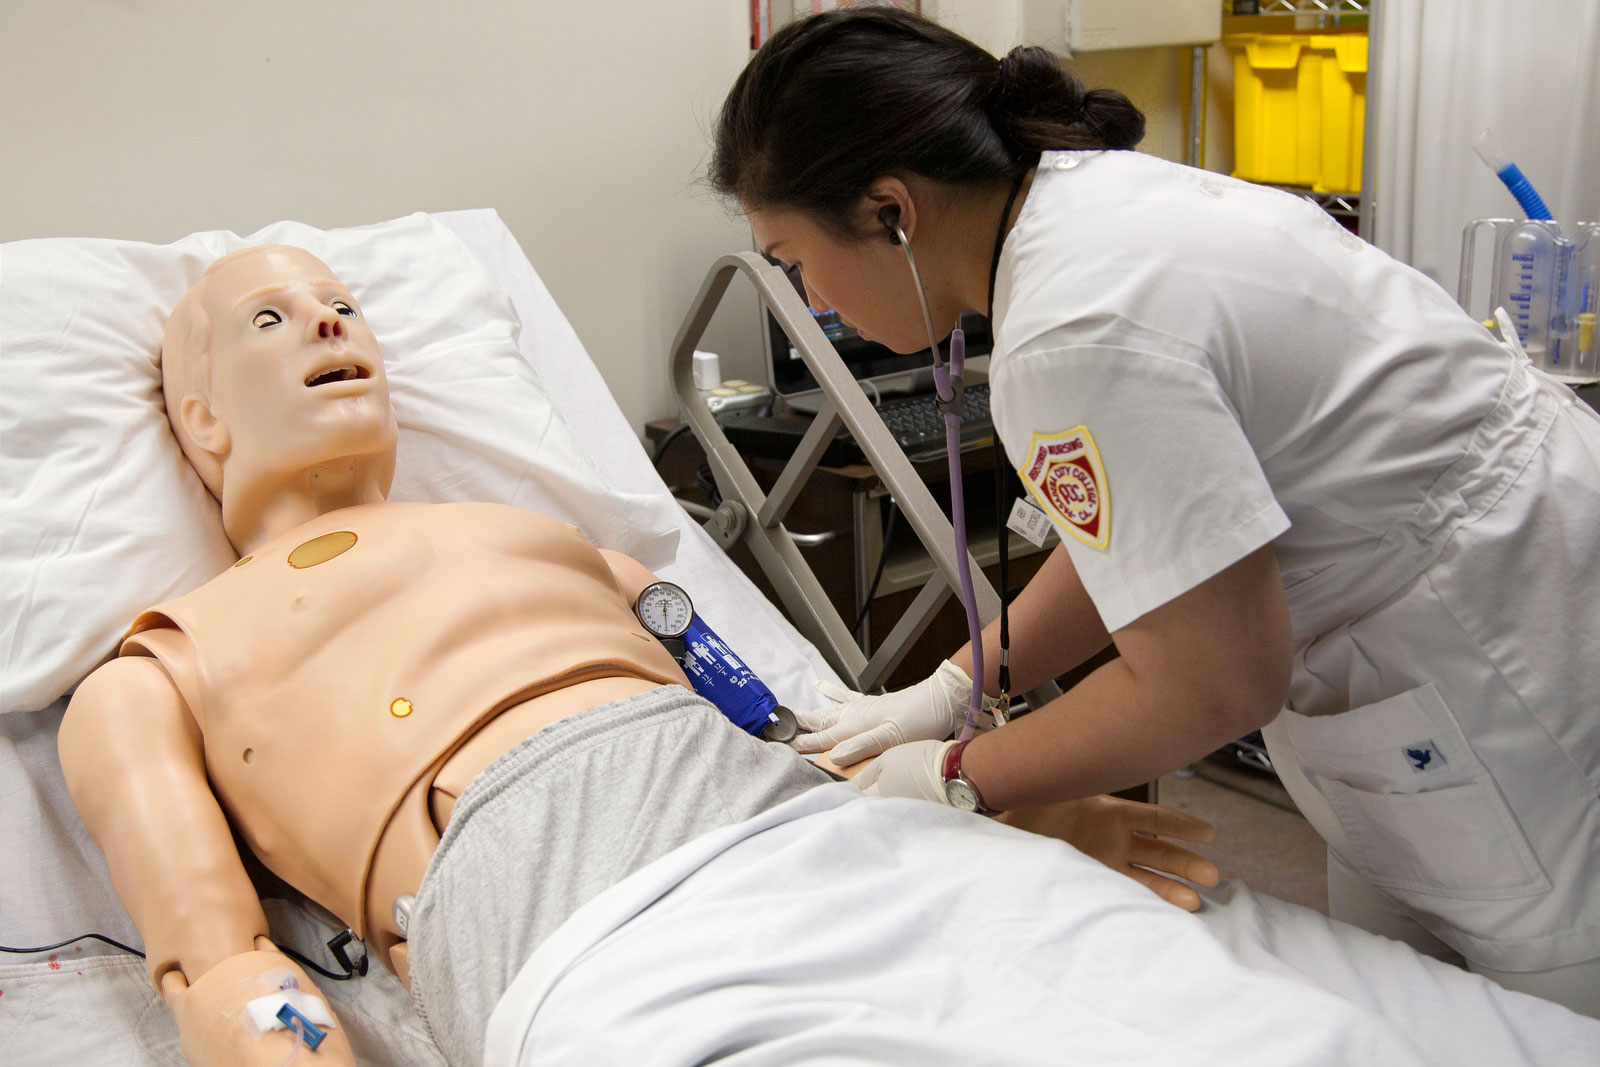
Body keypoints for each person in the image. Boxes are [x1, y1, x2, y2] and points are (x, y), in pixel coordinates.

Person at [55, 244, 1222, 1065]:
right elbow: (221, 968)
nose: (329, 322)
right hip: (542, 881)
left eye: (344, 305)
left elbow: (773, 740)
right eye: (274, 318)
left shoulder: (574, 552)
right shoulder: (156, 671)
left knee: (1181, 1000)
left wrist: (1008, 824)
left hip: (786, 824)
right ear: (200, 417)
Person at [709, 6, 1600, 1015]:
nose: (810, 297)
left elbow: (1212, 684)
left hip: (1509, 669)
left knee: (1549, 1014)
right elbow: (1155, 534)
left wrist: (959, 772)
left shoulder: (1074, 330)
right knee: (1404, 1005)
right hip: (1475, 604)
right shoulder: (1090, 200)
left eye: (791, 259)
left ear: (888, 210)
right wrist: (957, 685)